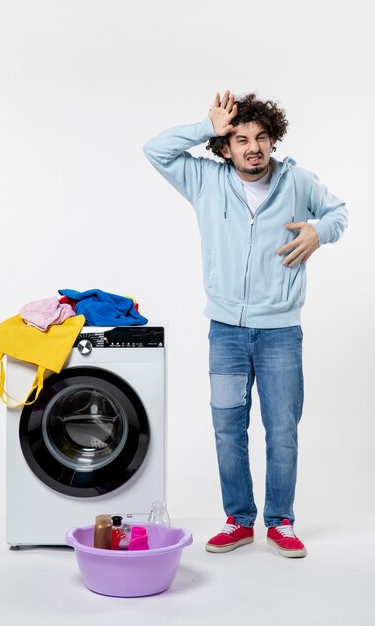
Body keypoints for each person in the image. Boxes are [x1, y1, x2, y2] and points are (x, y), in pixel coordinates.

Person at [143, 91, 348, 558]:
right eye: (240, 139)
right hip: (226, 332)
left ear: (273, 140)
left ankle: (281, 522)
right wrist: (204, 126)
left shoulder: (297, 181)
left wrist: (320, 231)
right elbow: (154, 150)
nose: (252, 147)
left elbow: (340, 212)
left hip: (280, 332)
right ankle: (238, 519)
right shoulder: (204, 181)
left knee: (281, 430)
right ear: (225, 146)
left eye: (260, 137)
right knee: (227, 429)